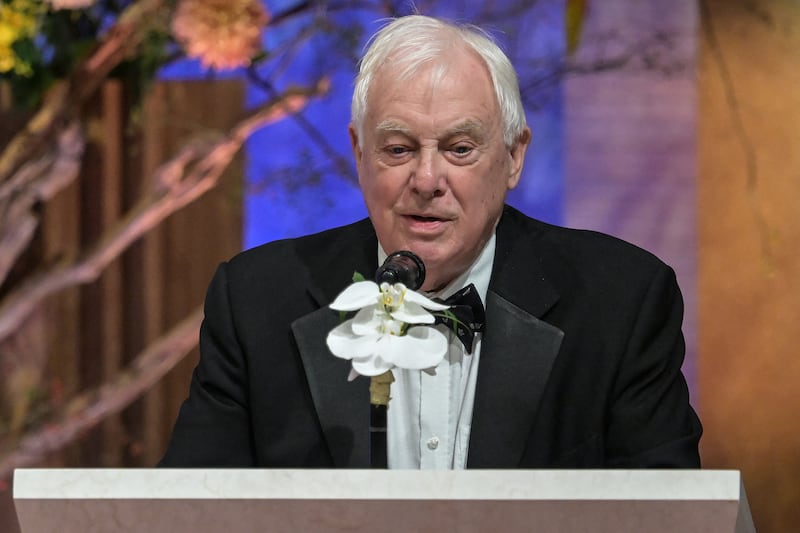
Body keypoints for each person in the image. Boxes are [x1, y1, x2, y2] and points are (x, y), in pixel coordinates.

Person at [159, 15, 701, 469]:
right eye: (397, 149)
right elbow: (188, 513)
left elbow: (671, 516)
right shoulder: (256, 301)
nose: (426, 179)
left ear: (514, 157)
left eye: (460, 149)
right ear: (359, 152)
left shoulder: (621, 302)